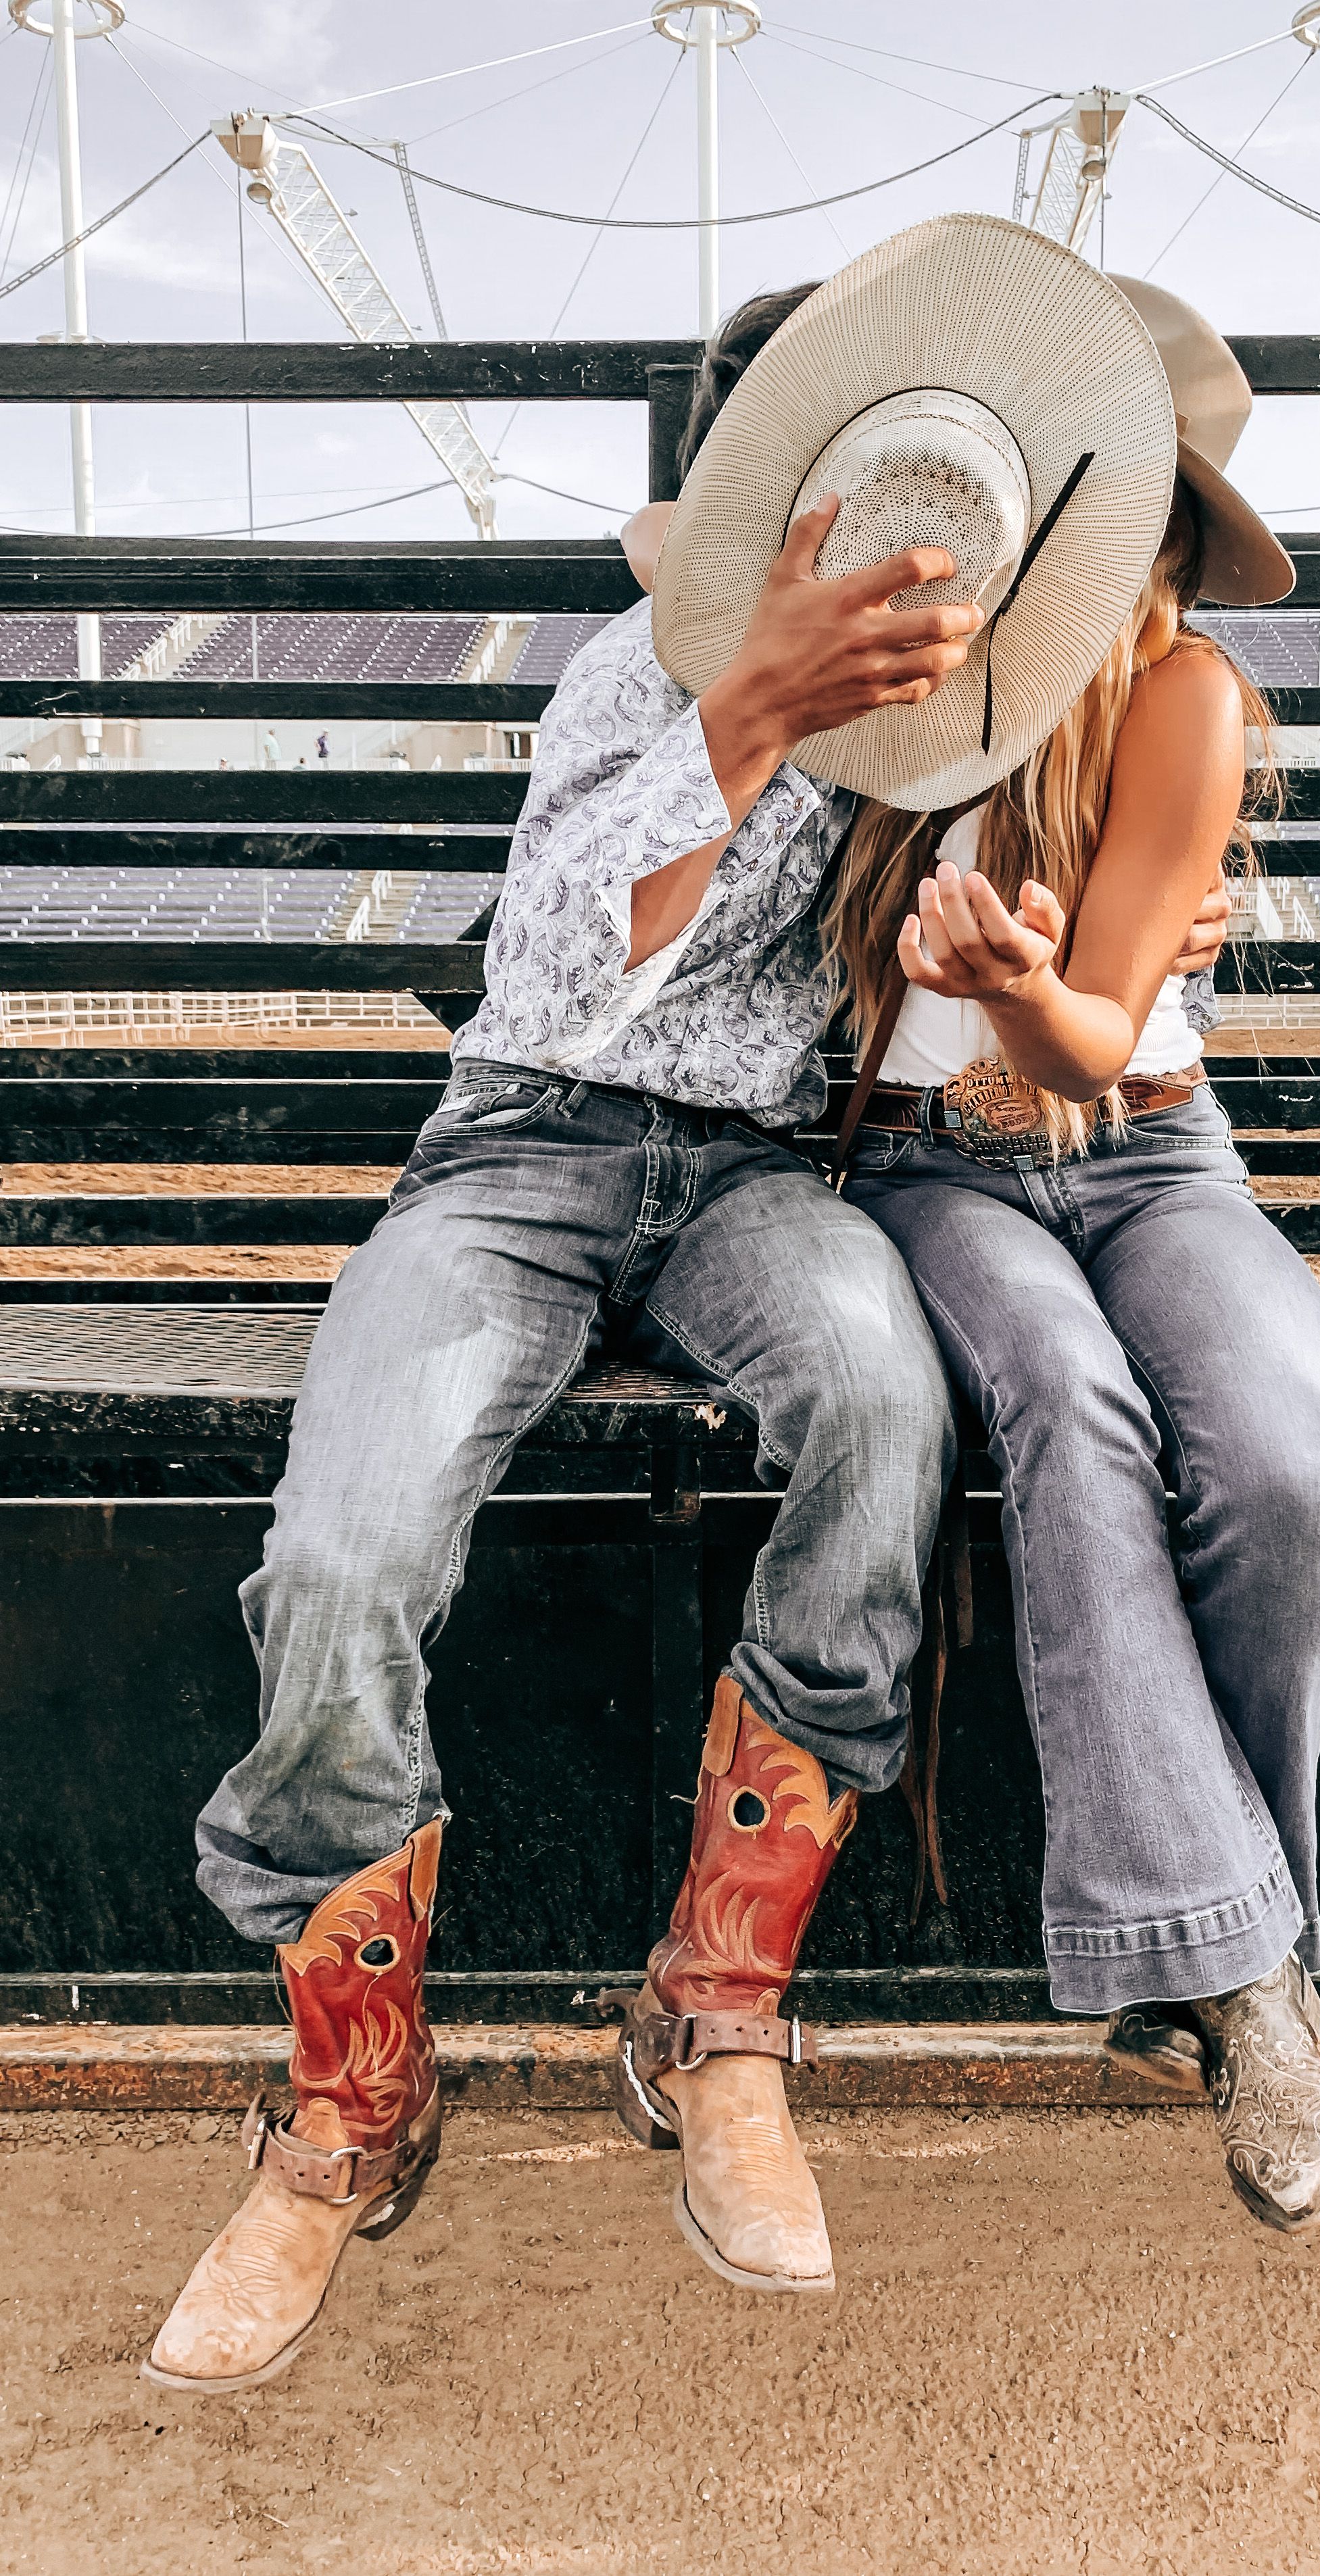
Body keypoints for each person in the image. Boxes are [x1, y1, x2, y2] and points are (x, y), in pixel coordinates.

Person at [144, 216, 1228, 2393]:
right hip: (522, 1149)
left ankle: (716, 2009)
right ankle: (353, 2095)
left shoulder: (965, 716)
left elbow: (1080, 940)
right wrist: (743, 717)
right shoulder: (631, 675)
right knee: (342, 1543)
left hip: (755, 1181)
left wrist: (1036, 963)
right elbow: (550, 983)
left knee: (882, 1404)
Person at [833, 279, 1320, 2235]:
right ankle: (1249, 1982)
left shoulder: (1186, 699)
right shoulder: (903, 663)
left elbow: (1094, 1034)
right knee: (1068, 1401)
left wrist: (1026, 986)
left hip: (1141, 1145)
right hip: (931, 1172)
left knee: (1279, 1454)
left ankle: (1227, 1945)